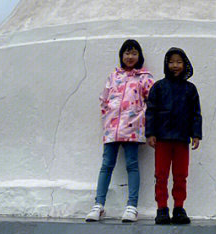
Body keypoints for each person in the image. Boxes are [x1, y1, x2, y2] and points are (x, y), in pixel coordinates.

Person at [86, 39, 154, 222]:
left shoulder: (145, 77)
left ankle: (132, 207)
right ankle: (98, 205)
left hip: (132, 129)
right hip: (112, 129)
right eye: (126, 53)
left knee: (132, 165)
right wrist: (107, 116)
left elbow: (153, 101)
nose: (130, 57)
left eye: (134, 53)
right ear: (121, 55)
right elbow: (104, 98)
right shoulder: (113, 76)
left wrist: (141, 118)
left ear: (139, 56)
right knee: (106, 165)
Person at [145, 46, 202, 224]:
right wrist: (150, 133)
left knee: (181, 175)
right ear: (166, 64)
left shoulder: (190, 89)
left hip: (182, 140)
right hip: (162, 139)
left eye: (179, 62)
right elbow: (151, 111)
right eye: (171, 62)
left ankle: (179, 207)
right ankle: (162, 208)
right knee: (160, 175)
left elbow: (196, 114)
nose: (175, 65)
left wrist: (196, 134)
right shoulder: (158, 87)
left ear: (185, 64)